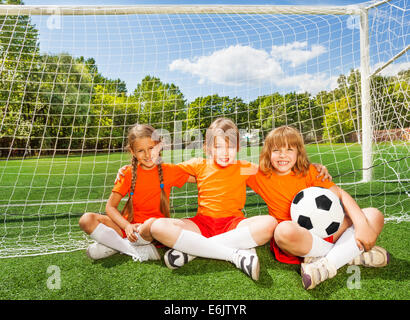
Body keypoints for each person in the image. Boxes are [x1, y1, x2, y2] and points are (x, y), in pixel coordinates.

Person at [246, 125, 388, 289]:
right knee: (283, 230)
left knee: (373, 215)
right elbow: (232, 169)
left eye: (289, 149)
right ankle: (349, 255)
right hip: (296, 241)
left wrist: (362, 225)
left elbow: (339, 194)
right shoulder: (261, 175)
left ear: (299, 152)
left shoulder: (311, 171)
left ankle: (324, 265)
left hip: (327, 233)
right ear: (267, 153)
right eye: (276, 150)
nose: (283, 155)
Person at [149, 118, 277, 281]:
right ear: (207, 148)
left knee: (269, 223)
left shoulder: (244, 168)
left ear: (237, 147)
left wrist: (314, 169)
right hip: (201, 225)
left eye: (230, 147)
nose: (224, 152)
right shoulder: (198, 165)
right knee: (158, 227)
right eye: (218, 147)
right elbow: (166, 171)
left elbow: (276, 174)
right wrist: (132, 169)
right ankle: (234, 254)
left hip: (234, 225)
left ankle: (192, 250)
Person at [78, 124, 194, 262]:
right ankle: (130, 248)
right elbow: (110, 207)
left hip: (152, 231)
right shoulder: (127, 173)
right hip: (128, 229)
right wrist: (127, 226)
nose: (147, 155)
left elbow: (199, 177)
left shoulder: (169, 170)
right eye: (140, 150)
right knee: (86, 220)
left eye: (151, 148)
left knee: (151, 224)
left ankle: (115, 246)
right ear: (133, 152)